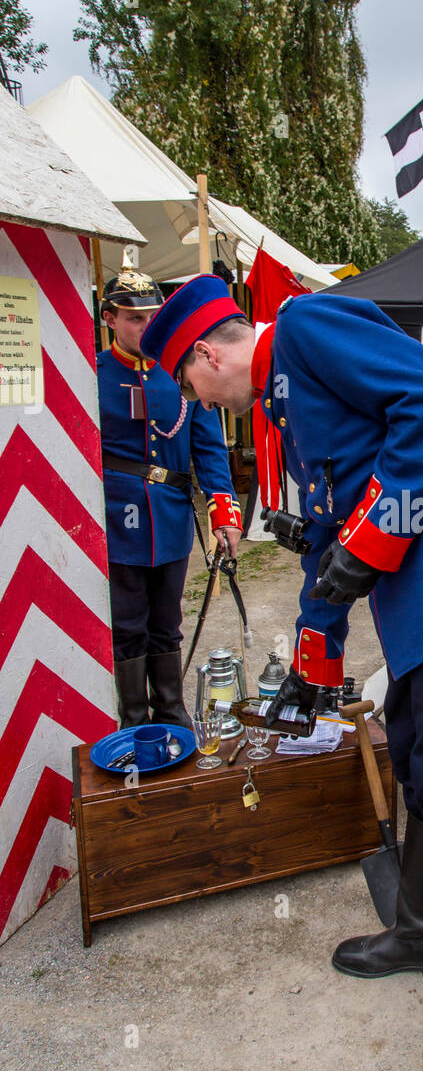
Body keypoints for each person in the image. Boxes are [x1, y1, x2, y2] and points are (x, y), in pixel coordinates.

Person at [141, 274, 423, 1071]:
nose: (196, 397)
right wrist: (313, 653)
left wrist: (369, 543)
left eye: (188, 380)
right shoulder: (285, 401)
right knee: (411, 748)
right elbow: (330, 527)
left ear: (208, 353)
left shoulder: (307, 326)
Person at [97, 266, 243, 729]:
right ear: (109, 319)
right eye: (133, 318)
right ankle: (134, 718)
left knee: (167, 619)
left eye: (151, 316)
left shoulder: (180, 372)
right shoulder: (90, 375)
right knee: (127, 623)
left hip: (173, 517)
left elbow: (210, 449)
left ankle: (171, 708)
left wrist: (224, 512)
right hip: (117, 519)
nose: (145, 326)